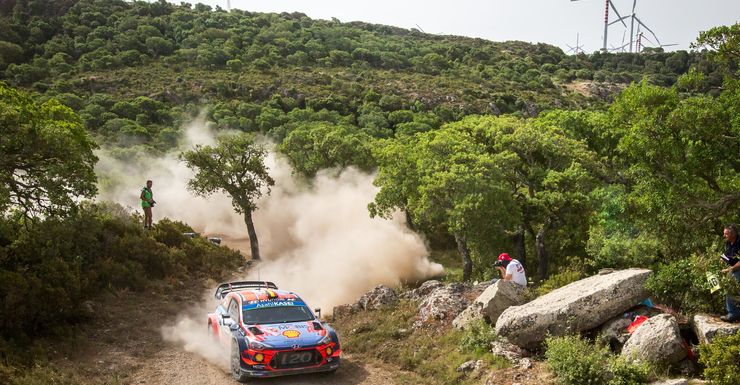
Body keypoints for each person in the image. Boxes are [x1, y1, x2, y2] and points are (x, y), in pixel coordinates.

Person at [720, 224, 740, 322]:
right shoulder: (728, 243)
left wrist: (729, 269)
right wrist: (722, 258)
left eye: (726, 234)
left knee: (729, 287)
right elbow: (728, 256)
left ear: (733, 234)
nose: (724, 236)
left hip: (737, 269)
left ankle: (732, 313)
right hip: (733, 269)